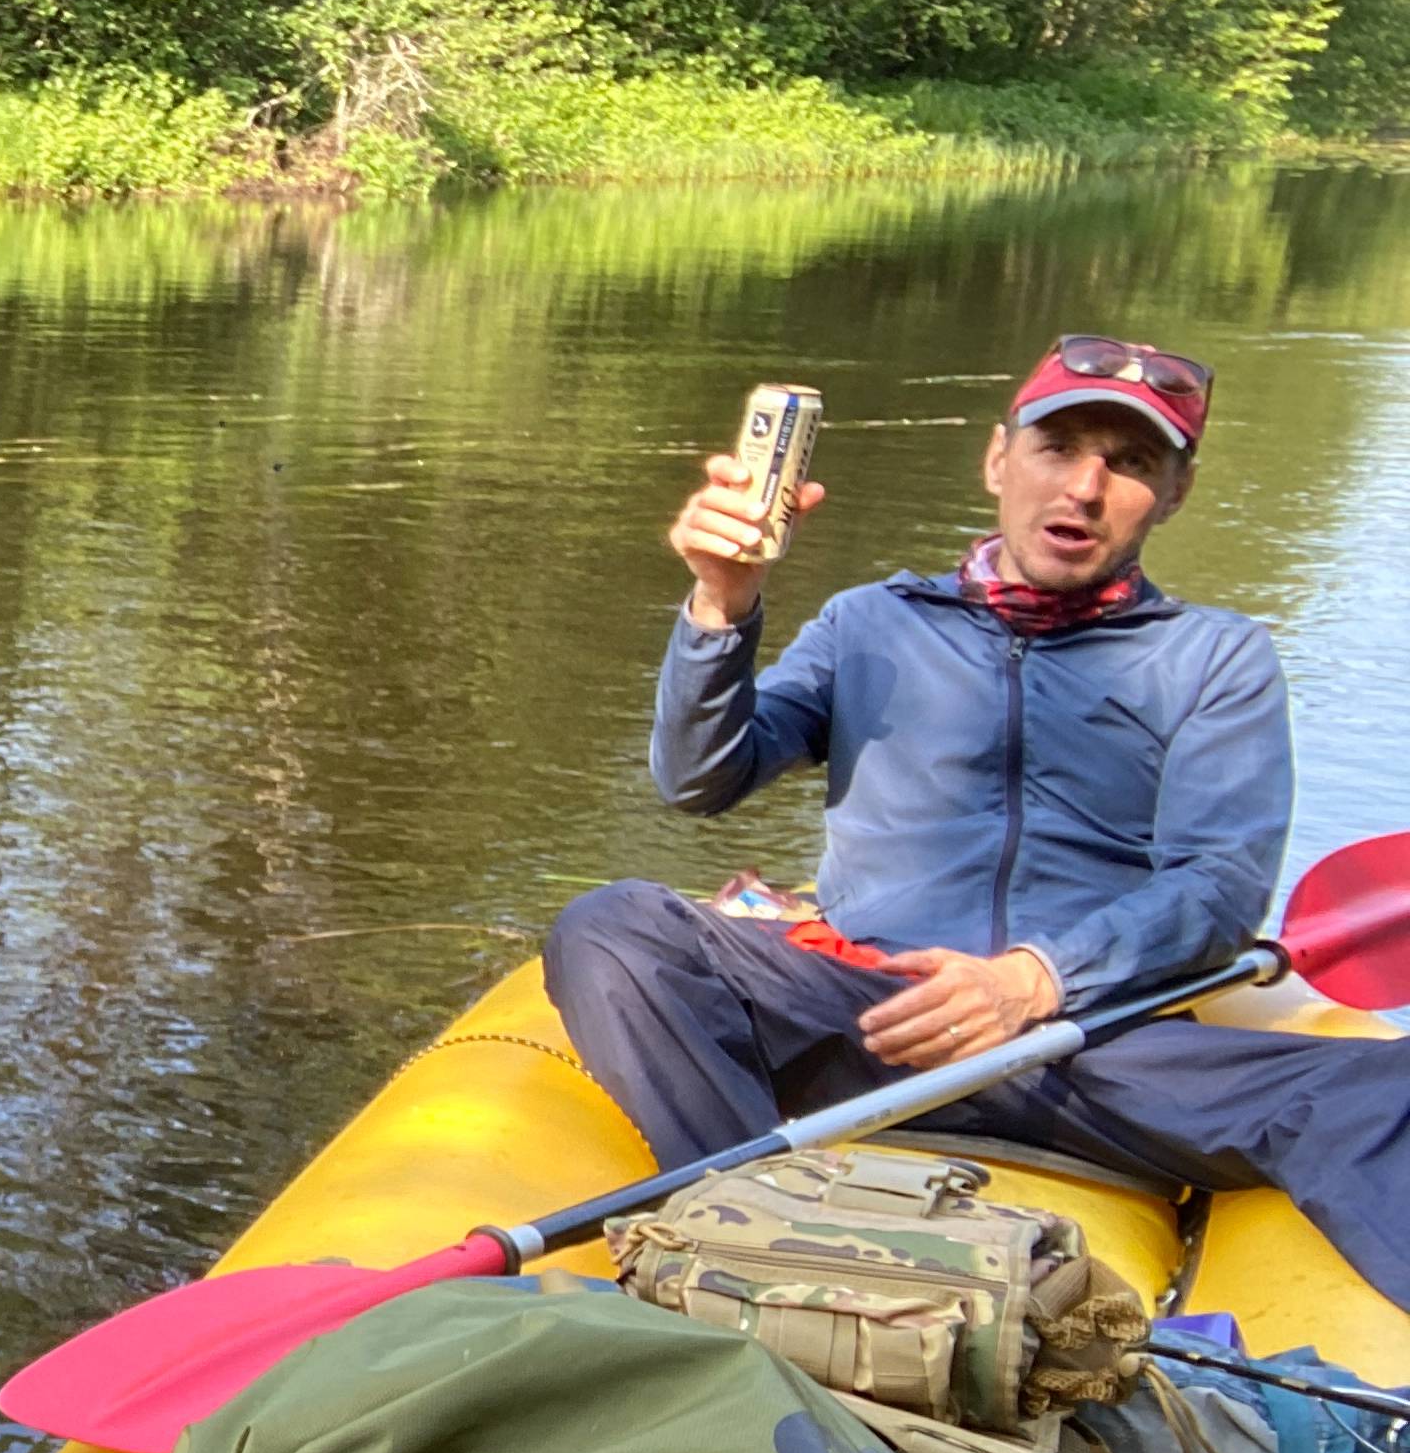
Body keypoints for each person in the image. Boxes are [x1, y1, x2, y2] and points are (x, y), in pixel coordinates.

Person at [545, 336, 1410, 1303]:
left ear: (1174, 493)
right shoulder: (869, 620)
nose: (1084, 487)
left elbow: (1216, 888)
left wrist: (1035, 980)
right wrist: (721, 600)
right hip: (869, 1019)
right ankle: (756, 1238)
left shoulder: (1218, 658)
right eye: (1058, 447)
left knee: (1389, 1089)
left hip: (1087, 1052)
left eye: (1130, 462)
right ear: (1000, 459)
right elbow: (700, 778)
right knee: (612, 926)